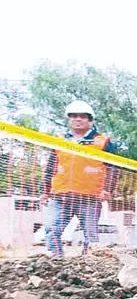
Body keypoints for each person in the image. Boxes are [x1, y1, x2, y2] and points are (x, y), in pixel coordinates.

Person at [42, 100, 120, 256]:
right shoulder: (59, 140)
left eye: (83, 116)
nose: (78, 119)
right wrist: (44, 191)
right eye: (74, 116)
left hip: (89, 197)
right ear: (69, 120)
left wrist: (107, 189)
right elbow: (50, 167)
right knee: (51, 230)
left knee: (90, 236)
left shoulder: (102, 142)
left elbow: (114, 167)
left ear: (90, 120)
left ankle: (88, 266)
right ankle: (56, 263)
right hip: (60, 196)